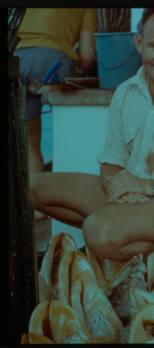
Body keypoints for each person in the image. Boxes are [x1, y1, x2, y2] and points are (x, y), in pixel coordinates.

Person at [29, 9, 154, 263]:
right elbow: (111, 160)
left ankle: (149, 242)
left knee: (97, 231)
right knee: (32, 187)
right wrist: (117, 189)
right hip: (131, 193)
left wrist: (149, 187)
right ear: (139, 44)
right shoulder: (126, 92)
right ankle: (147, 240)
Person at [15, 8, 97, 220]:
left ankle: (31, 204)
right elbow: (87, 57)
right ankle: (43, 206)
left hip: (15, 59)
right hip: (51, 62)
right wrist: (78, 64)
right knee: (56, 123)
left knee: (30, 139)